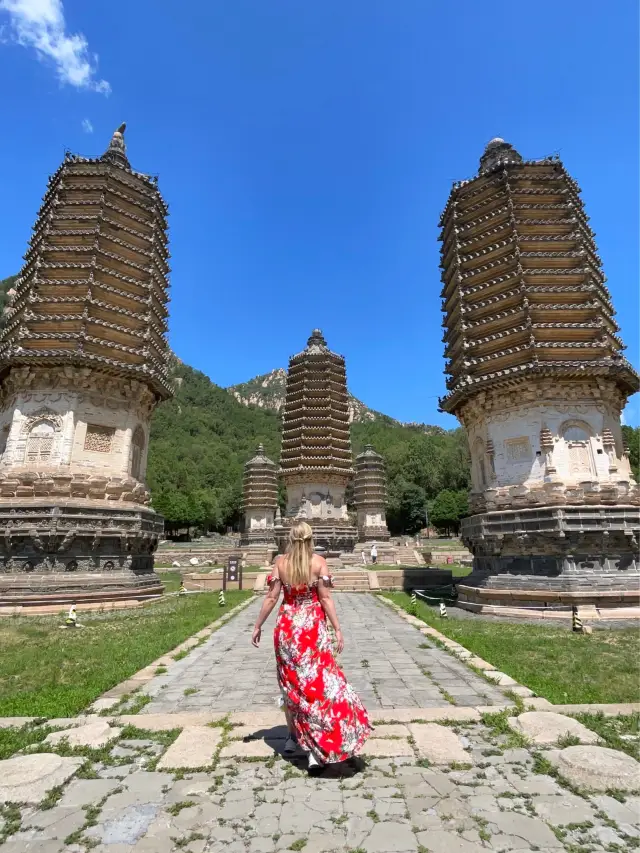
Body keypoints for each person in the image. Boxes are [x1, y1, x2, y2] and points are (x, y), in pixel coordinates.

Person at [251, 521, 372, 772]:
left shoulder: (281, 563)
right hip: (312, 629)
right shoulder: (318, 563)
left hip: (287, 629)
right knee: (318, 686)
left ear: (291, 538)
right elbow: (325, 598)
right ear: (310, 539)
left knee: (293, 686)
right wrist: (337, 628)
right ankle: (318, 747)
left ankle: (296, 739)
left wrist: (258, 625)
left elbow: (272, 597)